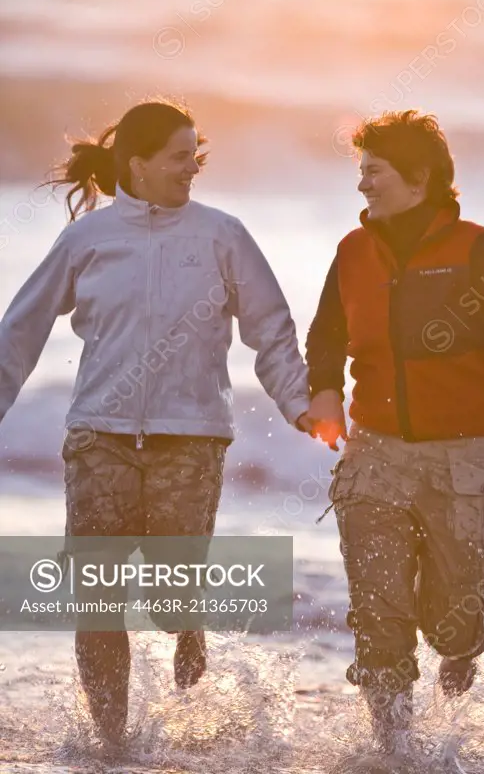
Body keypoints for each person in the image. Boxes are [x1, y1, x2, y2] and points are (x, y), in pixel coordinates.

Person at [0, 99, 312, 747]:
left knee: (168, 604)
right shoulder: (87, 239)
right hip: (98, 438)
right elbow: (22, 330)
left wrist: (301, 403)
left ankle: (187, 618)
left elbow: (272, 331)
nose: (190, 168)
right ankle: (111, 740)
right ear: (136, 164)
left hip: (190, 441)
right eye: (177, 157)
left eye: (194, 156)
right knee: (99, 600)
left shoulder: (222, 235)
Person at [305, 109, 484, 748]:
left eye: (375, 172)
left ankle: (460, 647)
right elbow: (326, 337)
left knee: (450, 622)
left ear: (419, 179)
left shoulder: (474, 248)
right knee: (379, 614)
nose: (363, 185)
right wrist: (324, 398)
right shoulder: (352, 250)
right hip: (376, 458)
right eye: (361, 171)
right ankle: (393, 748)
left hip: (468, 464)